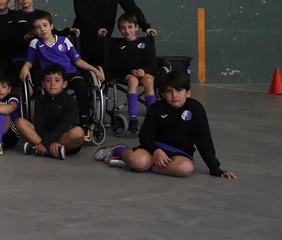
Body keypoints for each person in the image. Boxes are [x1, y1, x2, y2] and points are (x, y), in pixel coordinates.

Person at [93, 71, 235, 179]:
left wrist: (215, 169)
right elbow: (145, 135)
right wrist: (156, 150)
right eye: (169, 91)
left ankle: (141, 166)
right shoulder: (156, 108)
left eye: (179, 91)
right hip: (154, 148)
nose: (174, 95)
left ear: (188, 93)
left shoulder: (196, 109)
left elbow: (204, 140)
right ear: (162, 94)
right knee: (137, 160)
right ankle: (118, 150)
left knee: (185, 169)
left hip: (180, 153)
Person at [19, 11, 104, 139]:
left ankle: (84, 121)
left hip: (69, 73)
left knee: (80, 86)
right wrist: (24, 68)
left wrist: (94, 70)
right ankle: (58, 125)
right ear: (34, 31)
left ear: (51, 26)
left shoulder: (64, 41)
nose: (42, 29)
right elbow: (29, 62)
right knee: (56, 94)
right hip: (51, 76)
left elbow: (77, 61)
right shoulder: (35, 43)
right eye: (38, 27)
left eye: (45, 25)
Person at [15, 65, 85, 160]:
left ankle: (41, 149)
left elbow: (64, 126)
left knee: (78, 132)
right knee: (20, 122)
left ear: (64, 84)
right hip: (44, 136)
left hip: (64, 138)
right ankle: (50, 151)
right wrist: (46, 142)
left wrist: (45, 143)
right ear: (43, 84)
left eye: (57, 80)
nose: (52, 84)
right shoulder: (40, 100)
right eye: (48, 80)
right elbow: (40, 125)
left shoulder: (70, 101)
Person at [110, 12, 158, 134]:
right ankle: (133, 118)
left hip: (145, 72)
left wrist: (144, 70)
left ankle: (152, 116)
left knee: (148, 80)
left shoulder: (145, 43)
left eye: (130, 27)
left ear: (136, 27)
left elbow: (151, 61)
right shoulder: (118, 45)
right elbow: (118, 64)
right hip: (127, 73)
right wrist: (132, 71)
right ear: (119, 29)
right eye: (123, 28)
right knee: (133, 80)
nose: (127, 31)